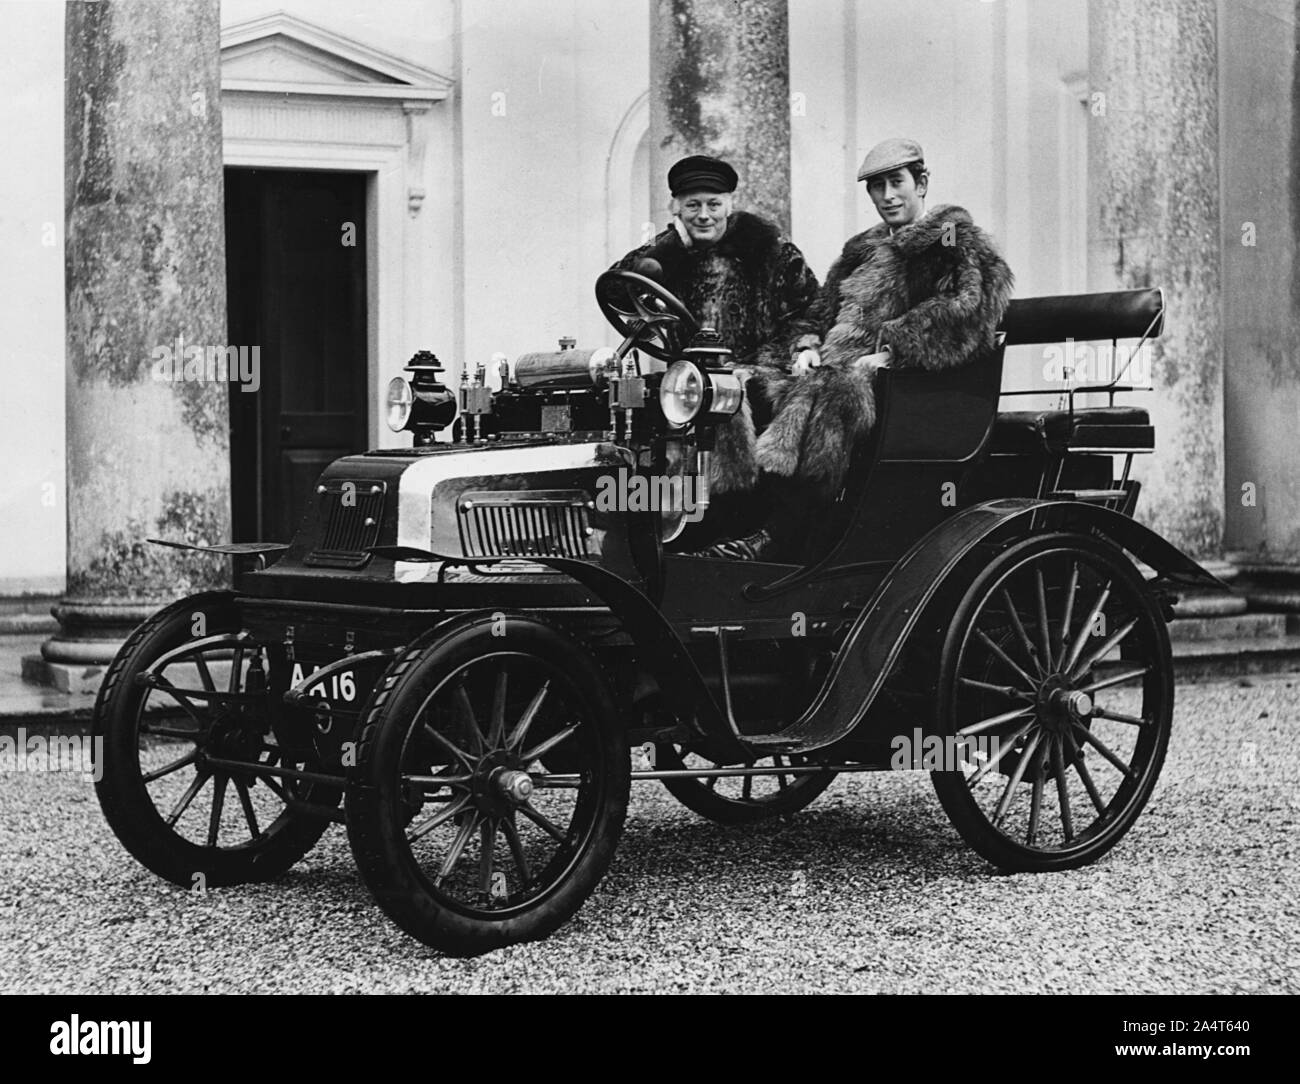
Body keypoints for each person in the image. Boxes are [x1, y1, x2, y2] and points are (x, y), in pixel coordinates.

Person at [692, 137, 1015, 561]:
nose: (887, 196)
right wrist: (805, 347)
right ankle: (730, 520)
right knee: (736, 388)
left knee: (834, 391)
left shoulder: (954, 242)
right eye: (877, 187)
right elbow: (817, 313)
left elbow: (968, 313)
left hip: (913, 389)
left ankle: (781, 537)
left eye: (896, 182)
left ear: (921, 183)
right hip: (841, 370)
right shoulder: (860, 250)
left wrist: (894, 352)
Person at [610, 155, 820, 498]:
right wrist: (672, 249)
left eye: (713, 204)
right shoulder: (664, 254)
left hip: (759, 373)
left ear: (729, 205)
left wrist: (802, 347)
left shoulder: (771, 250)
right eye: (692, 205)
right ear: (675, 207)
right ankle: (655, 509)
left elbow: (809, 308)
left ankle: (728, 504)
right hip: (686, 379)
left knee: (724, 399)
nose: (704, 215)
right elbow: (620, 289)